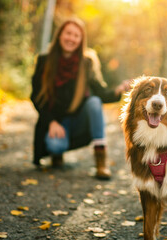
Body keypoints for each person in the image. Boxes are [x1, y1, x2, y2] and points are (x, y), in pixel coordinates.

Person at [30, 17, 129, 180]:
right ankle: (57, 153)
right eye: (68, 33)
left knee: (94, 102)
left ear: (81, 40)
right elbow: (36, 96)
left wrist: (118, 90)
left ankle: (101, 162)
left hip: (78, 120)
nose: (71, 38)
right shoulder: (44, 61)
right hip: (55, 121)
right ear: (60, 35)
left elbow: (101, 93)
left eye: (76, 36)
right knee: (55, 146)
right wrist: (51, 122)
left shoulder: (86, 63)